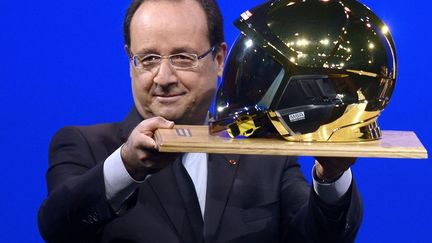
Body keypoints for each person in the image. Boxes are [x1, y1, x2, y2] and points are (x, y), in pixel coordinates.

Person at [38, 0, 363, 242]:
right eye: (148, 59)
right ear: (130, 62)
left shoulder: (265, 153)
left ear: (220, 60)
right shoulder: (87, 146)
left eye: (182, 57)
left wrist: (331, 175)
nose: (163, 77)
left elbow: (319, 238)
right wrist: (127, 166)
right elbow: (57, 228)